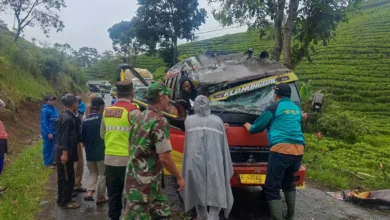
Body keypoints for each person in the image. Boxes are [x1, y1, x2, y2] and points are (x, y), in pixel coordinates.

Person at [123, 82, 185, 219]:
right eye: (168, 96)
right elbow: (165, 158)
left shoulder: (138, 116)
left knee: (162, 214)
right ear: (162, 98)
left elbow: (130, 145)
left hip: (140, 179)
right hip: (144, 184)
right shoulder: (159, 122)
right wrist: (179, 177)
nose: (169, 100)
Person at [244, 83, 305, 220]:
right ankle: (291, 216)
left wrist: (248, 126)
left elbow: (256, 128)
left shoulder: (273, 108)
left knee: (272, 187)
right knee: (289, 183)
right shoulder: (296, 109)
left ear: (276, 94)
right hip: (298, 152)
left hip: (281, 151)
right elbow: (300, 128)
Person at [182, 95, 234, 220]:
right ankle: (213, 216)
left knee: (197, 188)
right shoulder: (217, 121)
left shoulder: (189, 121)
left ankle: (202, 215)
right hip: (215, 161)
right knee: (216, 187)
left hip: (194, 162)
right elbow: (221, 143)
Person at [100, 80, 141, 220]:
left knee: (113, 196)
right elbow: (140, 139)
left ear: (117, 94)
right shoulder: (134, 112)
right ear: (132, 94)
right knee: (130, 196)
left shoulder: (107, 111)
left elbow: (102, 134)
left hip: (110, 160)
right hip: (128, 161)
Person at [55, 94, 80, 209]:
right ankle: (66, 201)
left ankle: (62, 199)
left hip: (62, 150)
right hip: (64, 152)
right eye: (77, 103)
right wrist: (64, 153)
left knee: (63, 177)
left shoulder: (64, 115)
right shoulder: (67, 118)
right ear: (74, 104)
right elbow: (64, 136)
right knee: (67, 178)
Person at [82, 97, 107, 204]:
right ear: (101, 107)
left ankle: (89, 193)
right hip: (101, 152)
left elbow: (82, 139)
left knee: (93, 173)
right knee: (102, 175)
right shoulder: (103, 119)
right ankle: (101, 198)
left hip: (89, 152)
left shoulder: (85, 120)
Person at [40, 95, 59, 168]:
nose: (52, 102)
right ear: (46, 101)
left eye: (53, 100)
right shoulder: (44, 111)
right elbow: (44, 123)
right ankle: (47, 163)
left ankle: (52, 161)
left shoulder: (54, 109)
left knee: (53, 147)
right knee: (47, 147)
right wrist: (48, 133)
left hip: (55, 131)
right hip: (48, 133)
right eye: (50, 100)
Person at [73, 96, 86, 193]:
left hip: (78, 143)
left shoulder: (75, 115)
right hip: (72, 145)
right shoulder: (67, 117)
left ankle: (77, 185)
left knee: (80, 165)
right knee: (73, 166)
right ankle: (71, 188)